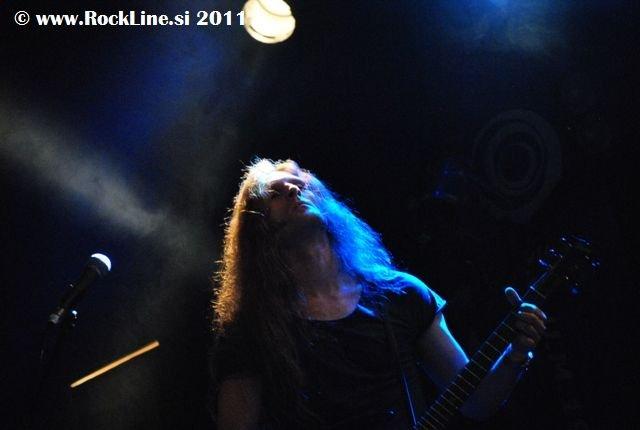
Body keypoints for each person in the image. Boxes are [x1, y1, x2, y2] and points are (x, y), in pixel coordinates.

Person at [211, 159, 547, 429]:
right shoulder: (252, 330)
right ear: (258, 228)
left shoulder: (401, 295)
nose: (293, 188)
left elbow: (475, 402)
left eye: (300, 182)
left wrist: (516, 355)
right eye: (275, 193)